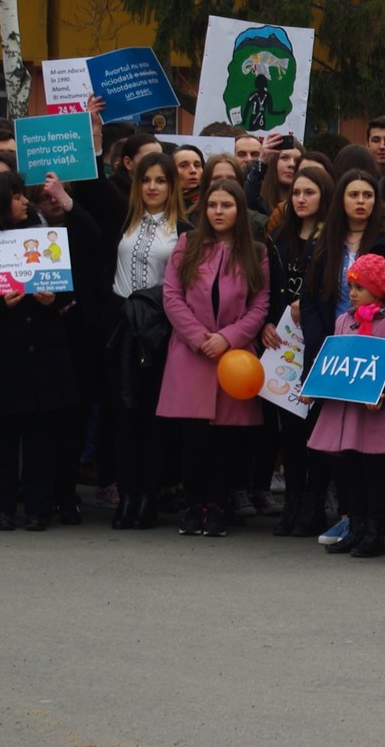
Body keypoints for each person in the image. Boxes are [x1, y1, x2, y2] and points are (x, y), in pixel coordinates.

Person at [0, 171, 93, 531]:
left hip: (42, 355)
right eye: (16, 197)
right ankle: (2, 508)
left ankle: (38, 508)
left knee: (40, 438)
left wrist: (53, 299)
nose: (24, 202)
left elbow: (67, 288)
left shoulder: (42, 235)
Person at [157, 178, 270, 538]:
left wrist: (228, 337)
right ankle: (193, 507)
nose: (218, 212)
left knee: (226, 441)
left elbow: (260, 305)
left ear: (239, 210)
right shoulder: (187, 244)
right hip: (192, 354)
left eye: (227, 205)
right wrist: (197, 337)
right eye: (212, 205)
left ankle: (217, 506)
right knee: (194, 439)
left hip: (234, 359)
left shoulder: (256, 252)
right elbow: (172, 296)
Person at [309, 253, 385, 558]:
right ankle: (355, 528)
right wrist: (315, 385)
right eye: (351, 286)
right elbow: (333, 359)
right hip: (345, 410)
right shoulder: (343, 320)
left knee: (373, 473)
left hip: (372, 413)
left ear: (377, 290)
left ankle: (374, 533)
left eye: (359, 288)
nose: (351, 293)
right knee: (349, 470)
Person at [106, 152, 188, 531]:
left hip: (160, 331)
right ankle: (127, 495)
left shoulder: (183, 230)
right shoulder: (124, 220)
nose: (152, 187)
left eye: (160, 180)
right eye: (146, 180)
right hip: (122, 327)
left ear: (172, 186)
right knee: (123, 415)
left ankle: (148, 498)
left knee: (153, 419)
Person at [264, 163, 330, 537]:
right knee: (289, 429)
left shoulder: (331, 239)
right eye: (297, 193)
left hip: (319, 341)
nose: (301, 199)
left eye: (310, 192)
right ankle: (292, 501)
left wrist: (309, 304)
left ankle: (314, 504)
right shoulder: (279, 237)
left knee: (316, 427)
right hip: (284, 345)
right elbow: (266, 287)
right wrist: (267, 322)